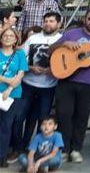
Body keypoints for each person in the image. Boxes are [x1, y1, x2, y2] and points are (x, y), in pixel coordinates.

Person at [52, 9, 90, 163]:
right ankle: (63, 149)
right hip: (67, 81)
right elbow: (50, 50)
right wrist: (64, 43)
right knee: (64, 116)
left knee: (82, 118)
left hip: (89, 83)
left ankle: (76, 149)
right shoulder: (71, 34)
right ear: (85, 19)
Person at [12, 12, 60, 159]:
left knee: (43, 120)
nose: (48, 24)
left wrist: (53, 70)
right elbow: (20, 57)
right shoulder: (33, 38)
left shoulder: (61, 40)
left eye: (51, 21)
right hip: (28, 84)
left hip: (48, 87)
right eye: (45, 21)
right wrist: (31, 67)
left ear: (59, 24)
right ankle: (17, 148)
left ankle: (39, 150)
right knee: (20, 117)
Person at [0, 27, 27, 165]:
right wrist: (8, 80)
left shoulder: (20, 54)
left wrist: (9, 88)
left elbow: (21, 74)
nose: (8, 37)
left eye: (11, 35)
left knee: (6, 126)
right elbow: (13, 78)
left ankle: (2, 157)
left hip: (12, 95)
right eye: (5, 35)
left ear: (16, 39)